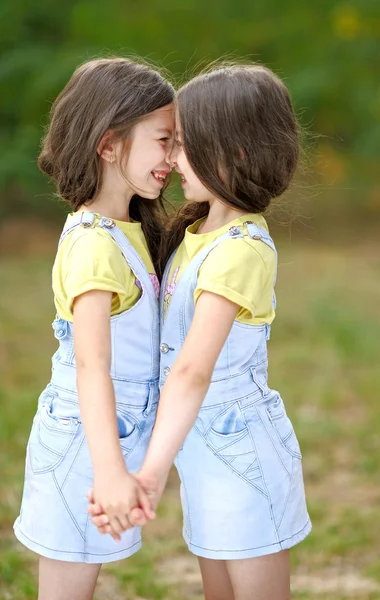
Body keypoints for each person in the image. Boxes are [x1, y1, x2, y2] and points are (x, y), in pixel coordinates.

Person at [92, 64, 311, 600]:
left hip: (242, 451)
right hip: (202, 451)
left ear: (233, 151)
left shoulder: (241, 249)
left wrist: (149, 473)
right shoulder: (193, 234)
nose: (170, 159)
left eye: (184, 145)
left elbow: (192, 369)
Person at [14, 56, 175, 600]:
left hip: (107, 440)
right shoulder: (93, 244)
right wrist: (108, 473)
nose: (173, 159)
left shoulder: (125, 229)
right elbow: (92, 367)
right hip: (85, 446)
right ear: (109, 144)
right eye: (163, 140)